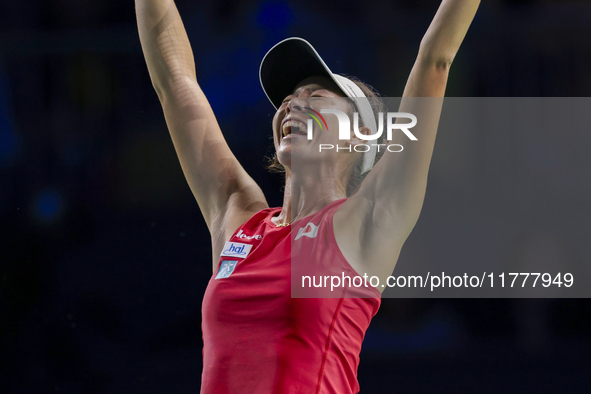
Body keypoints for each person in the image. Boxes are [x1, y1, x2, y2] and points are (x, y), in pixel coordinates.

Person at [135, 0, 480, 392]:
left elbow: (435, 59)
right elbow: (175, 83)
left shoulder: (368, 219)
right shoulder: (238, 217)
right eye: (288, 98)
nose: (291, 102)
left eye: (316, 96)